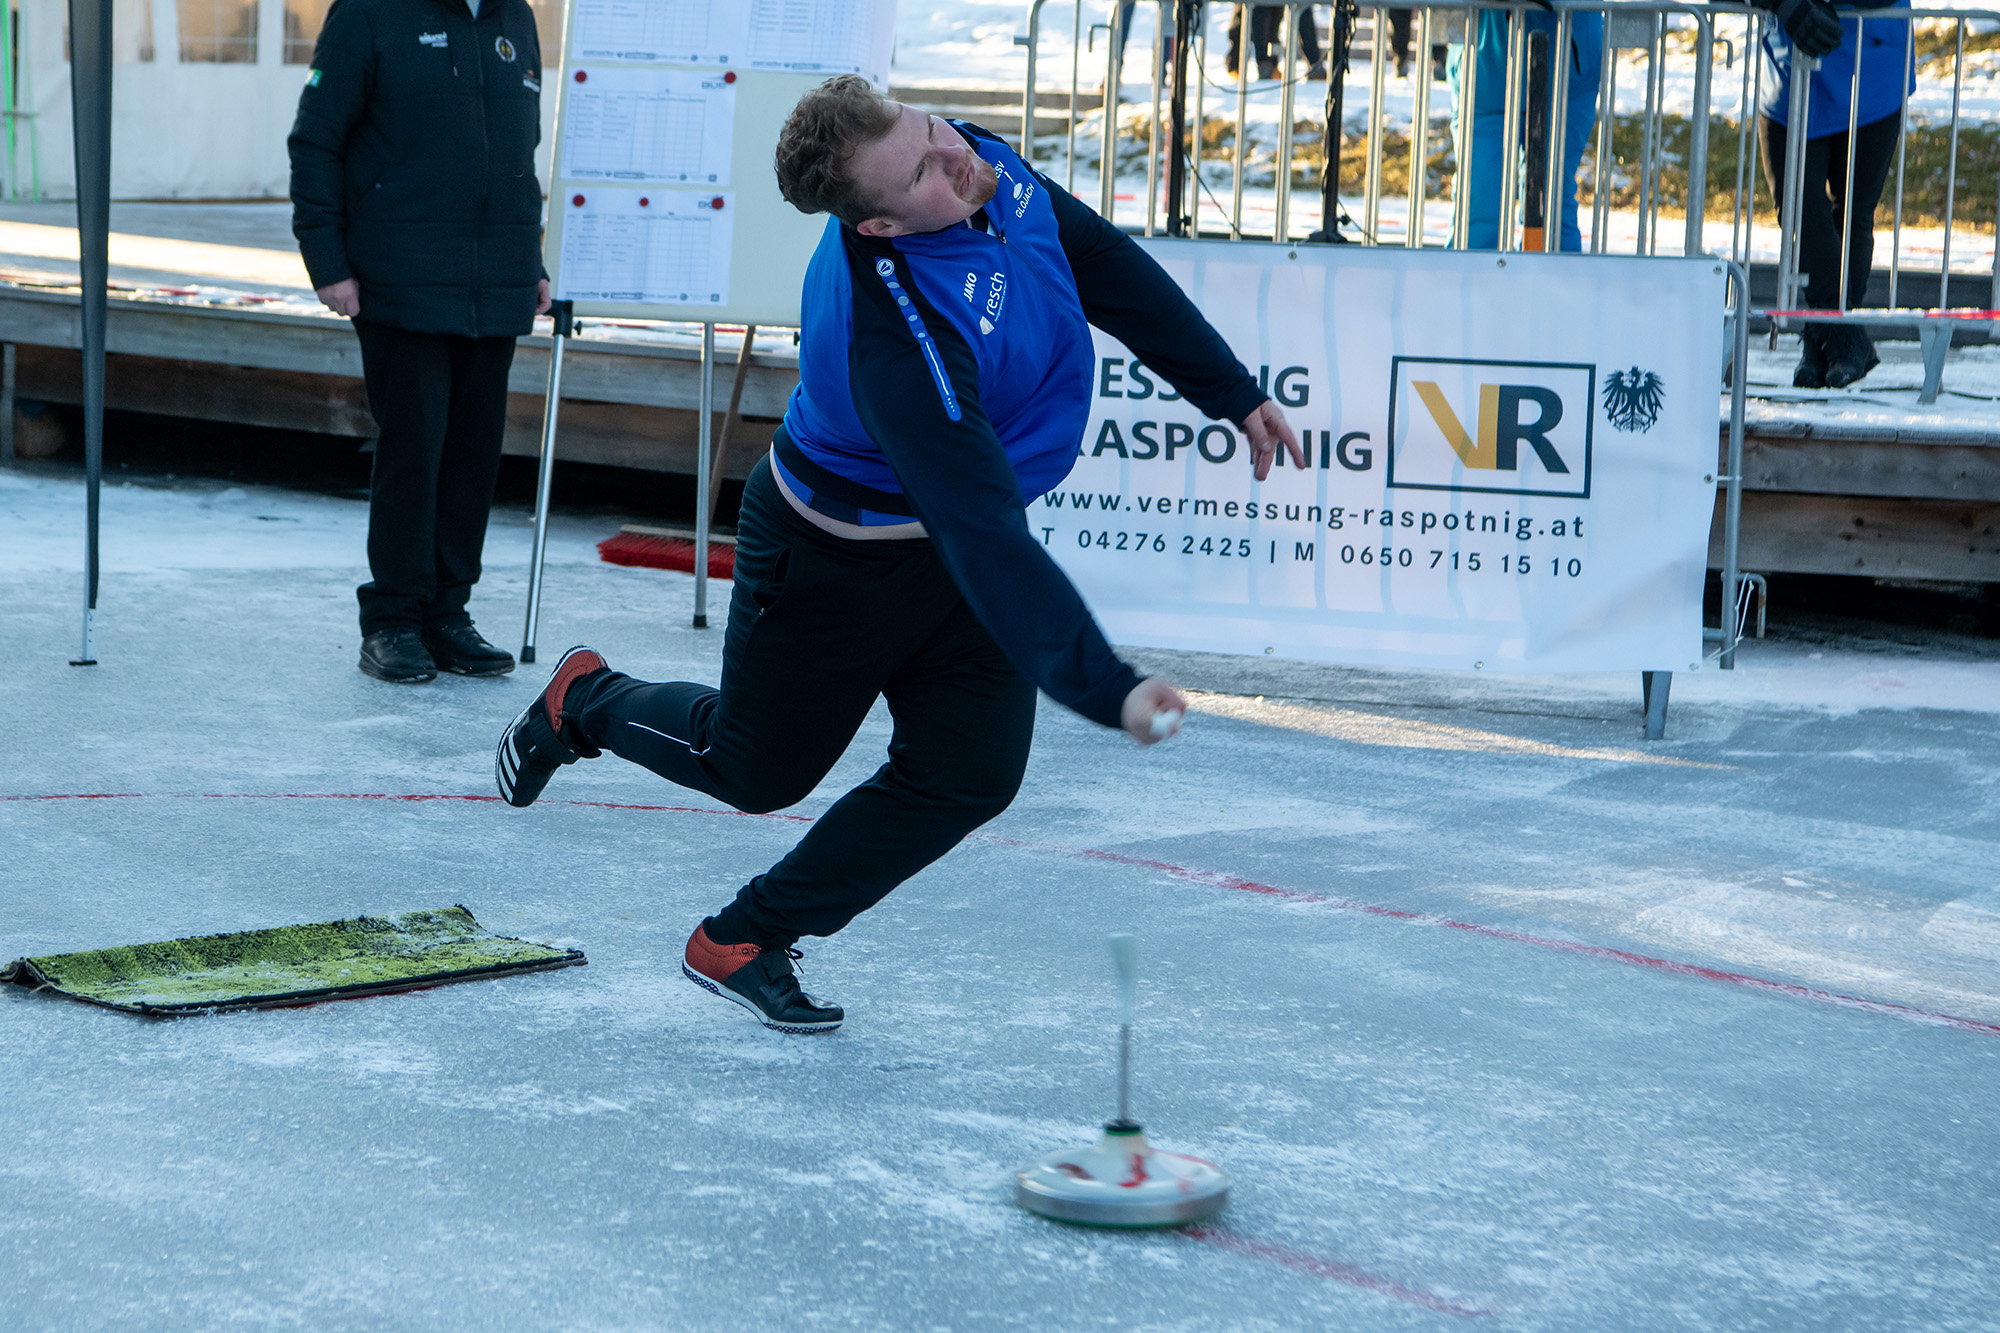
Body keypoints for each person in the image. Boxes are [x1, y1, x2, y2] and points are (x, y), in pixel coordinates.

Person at [494, 75, 1303, 1034]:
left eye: (929, 129)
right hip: (834, 565)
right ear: (876, 229)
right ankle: (583, 699)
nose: (952, 157)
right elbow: (983, 527)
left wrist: (1229, 389)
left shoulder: (973, 159)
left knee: (968, 772)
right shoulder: (897, 338)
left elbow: (1096, 258)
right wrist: (1106, 686)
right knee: (755, 773)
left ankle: (746, 935)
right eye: (921, 168)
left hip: (947, 553)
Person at [288, 0, 551, 684]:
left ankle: (447, 611)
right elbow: (316, 140)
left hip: (496, 280)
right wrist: (328, 261)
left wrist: (533, 262)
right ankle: (394, 619)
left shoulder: (513, 18)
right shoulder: (370, 14)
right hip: (398, 276)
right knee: (416, 447)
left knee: (473, 455)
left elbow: (517, 152)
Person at [1758, 0, 1912, 389]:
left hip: (1872, 64)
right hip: (1790, 68)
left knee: (1853, 216)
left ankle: (1820, 340)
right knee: (1798, 213)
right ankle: (1846, 338)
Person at [1449, 9, 1606, 252]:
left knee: (1551, 206)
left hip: (1567, 69)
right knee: (1479, 207)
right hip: (1484, 69)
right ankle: (1468, 286)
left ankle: (1553, 285)